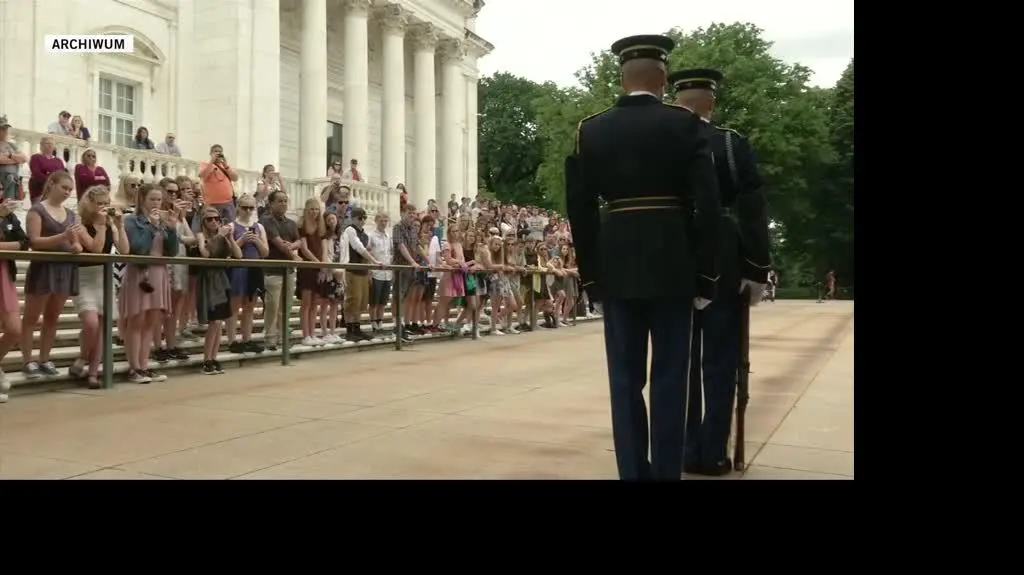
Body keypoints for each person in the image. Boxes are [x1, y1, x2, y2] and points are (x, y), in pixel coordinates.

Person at [565, 34, 721, 481]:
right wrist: (706, 274)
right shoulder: (684, 124)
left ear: (622, 75)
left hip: (615, 266)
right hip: (674, 265)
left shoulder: (591, 129)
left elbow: (580, 211)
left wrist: (591, 277)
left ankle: (633, 473)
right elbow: (708, 206)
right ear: (664, 76)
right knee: (672, 379)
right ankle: (667, 474)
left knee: (624, 380)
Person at [669, 68, 771, 476]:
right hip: (724, 256)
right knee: (720, 357)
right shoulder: (730, 143)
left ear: (678, 102)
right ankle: (711, 451)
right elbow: (752, 207)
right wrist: (757, 267)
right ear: (711, 103)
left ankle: (679, 446)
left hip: (675, 253)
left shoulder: (664, 144)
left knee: (678, 358)